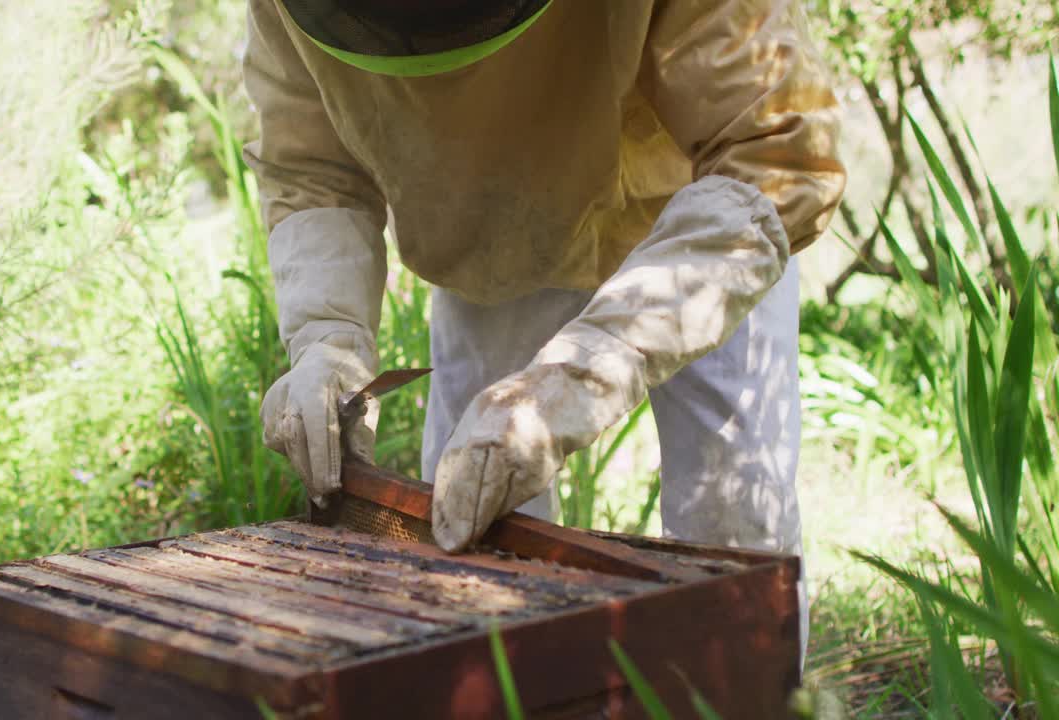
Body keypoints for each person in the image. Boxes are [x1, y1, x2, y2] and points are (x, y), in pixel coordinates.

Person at [245, 0, 845, 654]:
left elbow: (773, 147)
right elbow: (311, 168)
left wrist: (592, 368)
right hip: (491, 236)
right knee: (469, 521)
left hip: (698, 223)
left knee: (733, 526)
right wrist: (326, 339)